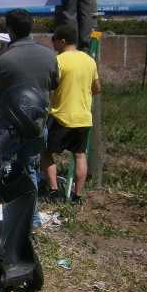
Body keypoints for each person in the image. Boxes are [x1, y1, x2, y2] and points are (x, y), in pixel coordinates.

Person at [0, 9, 58, 227]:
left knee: (1, 170)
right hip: (37, 125)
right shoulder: (49, 55)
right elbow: (54, 83)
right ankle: (31, 220)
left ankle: (0, 219)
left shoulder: (3, 57)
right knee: (29, 169)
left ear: (10, 30)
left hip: (7, 127)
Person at [42, 24, 102, 204]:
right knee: (79, 155)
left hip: (61, 115)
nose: (53, 45)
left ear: (61, 41)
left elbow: (50, 84)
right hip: (83, 117)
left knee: (45, 152)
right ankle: (77, 196)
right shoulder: (89, 60)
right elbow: (97, 88)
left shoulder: (58, 60)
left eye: (54, 41)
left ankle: (53, 191)